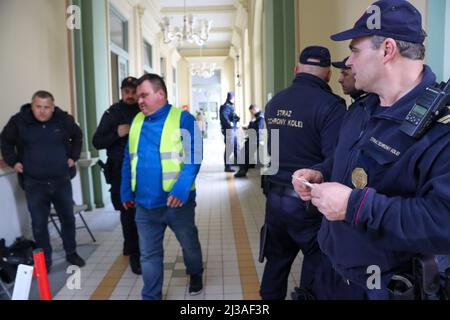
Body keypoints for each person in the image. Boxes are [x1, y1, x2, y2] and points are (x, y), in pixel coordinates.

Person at [292, 0, 450, 300]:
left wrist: (354, 207)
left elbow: (443, 221)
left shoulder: (442, 129)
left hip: (388, 288)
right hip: (333, 270)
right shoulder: (362, 109)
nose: (348, 62)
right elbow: (349, 163)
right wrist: (322, 173)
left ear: (387, 49)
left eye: (354, 50)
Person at [260, 46, 346, 300]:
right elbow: (335, 159)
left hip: (274, 199)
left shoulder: (274, 102)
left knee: (275, 263)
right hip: (308, 204)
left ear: (296, 69)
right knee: (316, 262)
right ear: (328, 75)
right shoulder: (332, 106)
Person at [121, 74, 204, 300]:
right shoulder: (137, 121)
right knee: (148, 255)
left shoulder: (183, 119)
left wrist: (181, 188)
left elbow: (194, 154)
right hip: (145, 205)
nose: (140, 100)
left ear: (161, 94)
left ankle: (195, 272)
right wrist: (126, 191)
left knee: (189, 244)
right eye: (138, 96)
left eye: (144, 95)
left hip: (176, 202)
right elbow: (129, 159)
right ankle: (151, 296)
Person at [0, 90, 85, 271]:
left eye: (46, 107)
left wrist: (73, 156)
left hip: (61, 180)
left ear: (53, 107)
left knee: (68, 219)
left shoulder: (63, 120)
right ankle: (44, 261)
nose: (42, 111)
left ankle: (71, 253)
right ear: (32, 106)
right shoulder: (19, 121)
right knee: (39, 224)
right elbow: (5, 141)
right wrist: (13, 162)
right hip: (34, 183)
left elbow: (77, 136)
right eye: (38, 107)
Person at [92, 77, 141, 275]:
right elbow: (97, 141)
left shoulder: (144, 109)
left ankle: (137, 248)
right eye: (126, 91)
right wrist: (117, 133)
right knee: (127, 211)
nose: (130, 95)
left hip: (143, 168)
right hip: (120, 169)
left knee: (141, 211)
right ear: (121, 92)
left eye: (133, 91)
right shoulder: (112, 113)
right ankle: (131, 250)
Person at [234, 104, 264, 178]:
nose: (251, 113)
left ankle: (243, 171)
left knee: (245, 155)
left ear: (254, 109)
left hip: (254, 140)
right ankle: (242, 170)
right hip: (251, 139)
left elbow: (257, 129)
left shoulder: (260, 117)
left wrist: (251, 123)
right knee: (243, 153)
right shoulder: (257, 117)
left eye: (251, 112)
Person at [219, 92, 240, 172]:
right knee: (229, 148)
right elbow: (225, 118)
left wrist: (236, 118)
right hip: (229, 131)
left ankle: (242, 166)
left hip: (232, 130)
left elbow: (231, 117)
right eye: (234, 98)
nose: (235, 100)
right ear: (231, 98)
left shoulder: (230, 107)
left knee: (235, 147)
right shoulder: (225, 107)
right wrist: (230, 125)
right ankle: (227, 167)